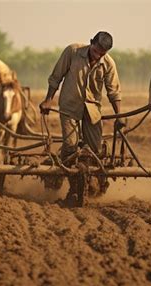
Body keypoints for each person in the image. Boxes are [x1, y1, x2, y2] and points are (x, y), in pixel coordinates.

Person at [39, 31, 123, 205]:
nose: (98, 55)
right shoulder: (72, 52)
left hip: (92, 111)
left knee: (94, 150)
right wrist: (48, 100)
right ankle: (73, 187)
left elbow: (113, 91)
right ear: (91, 42)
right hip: (69, 107)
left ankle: (90, 183)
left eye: (102, 53)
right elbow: (56, 77)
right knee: (70, 145)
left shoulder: (108, 64)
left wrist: (119, 116)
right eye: (96, 51)